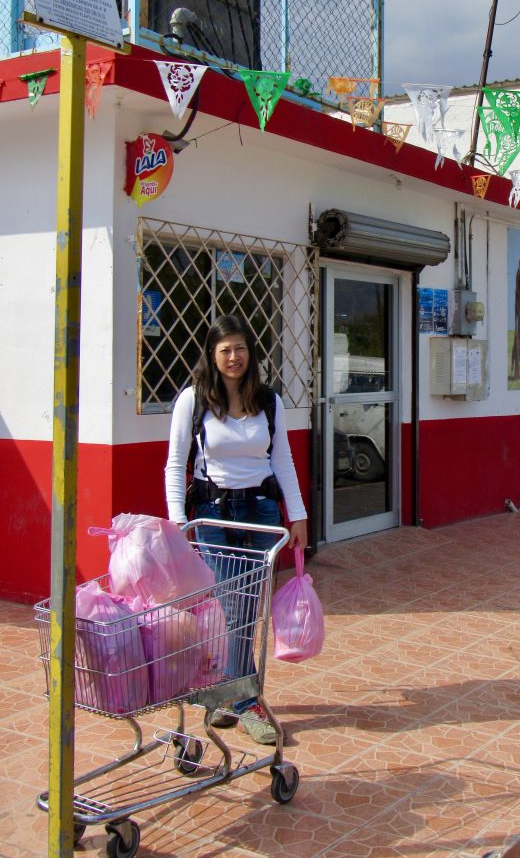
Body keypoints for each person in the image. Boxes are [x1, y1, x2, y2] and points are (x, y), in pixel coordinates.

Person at [165, 314, 307, 745]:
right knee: (234, 605)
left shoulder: (269, 402)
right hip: (213, 516)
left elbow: (281, 460)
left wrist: (296, 514)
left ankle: (228, 692)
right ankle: (245, 699)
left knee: (248, 604)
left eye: (240, 348)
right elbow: (176, 463)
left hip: (261, 513)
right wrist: (178, 523)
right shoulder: (193, 400)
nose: (233, 357)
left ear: (251, 353)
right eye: (224, 349)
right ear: (212, 354)